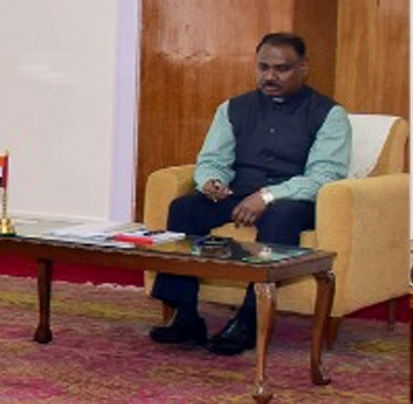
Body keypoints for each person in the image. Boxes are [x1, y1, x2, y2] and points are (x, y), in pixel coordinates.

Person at [149, 33, 350, 356]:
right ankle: (185, 316)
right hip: (239, 191)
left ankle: (248, 319)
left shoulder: (329, 114)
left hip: (293, 198)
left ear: (304, 68)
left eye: (281, 69)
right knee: (185, 209)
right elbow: (212, 159)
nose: (270, 76)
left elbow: (324, 176)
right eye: (263, 67)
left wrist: (267, 196)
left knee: (280, 217)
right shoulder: (232, 108)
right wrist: (211, 181)